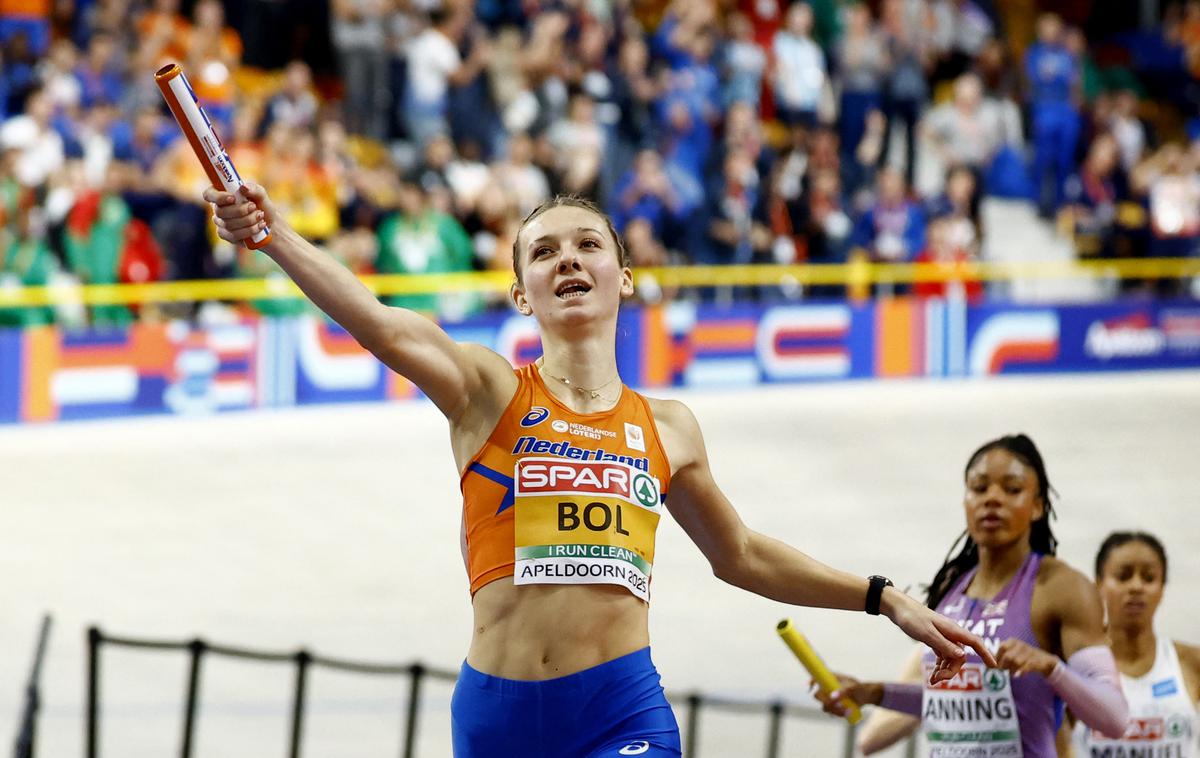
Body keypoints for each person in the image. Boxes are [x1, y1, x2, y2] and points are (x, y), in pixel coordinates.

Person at [204, 182, 996, 757]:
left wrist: (879, 596)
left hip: (622, 712)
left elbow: (742, 555)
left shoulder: (670, 428)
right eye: (544, 251)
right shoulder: (486, 391)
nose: (569, 259)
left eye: (589, 244)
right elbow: (375, 322)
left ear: (624, 274)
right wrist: (273, 235)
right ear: (522, 292)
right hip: (496, 714)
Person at [815, 434, 1129, 757]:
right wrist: (874, 693)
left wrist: (1051, 668)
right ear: (965, 500)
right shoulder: (952, 586)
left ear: (1037, 506)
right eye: (979, 488)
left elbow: (1116, 719)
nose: (992, 498)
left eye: (1012, 489)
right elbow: (948, 703)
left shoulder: (1062, 587)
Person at [1074, 532, 1199, 756]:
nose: (1136, 587)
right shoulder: (1075, 669)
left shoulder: (1190, 663)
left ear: (1162, 589)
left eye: (1149, 578)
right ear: (1099, 586)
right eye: (1123, 576)